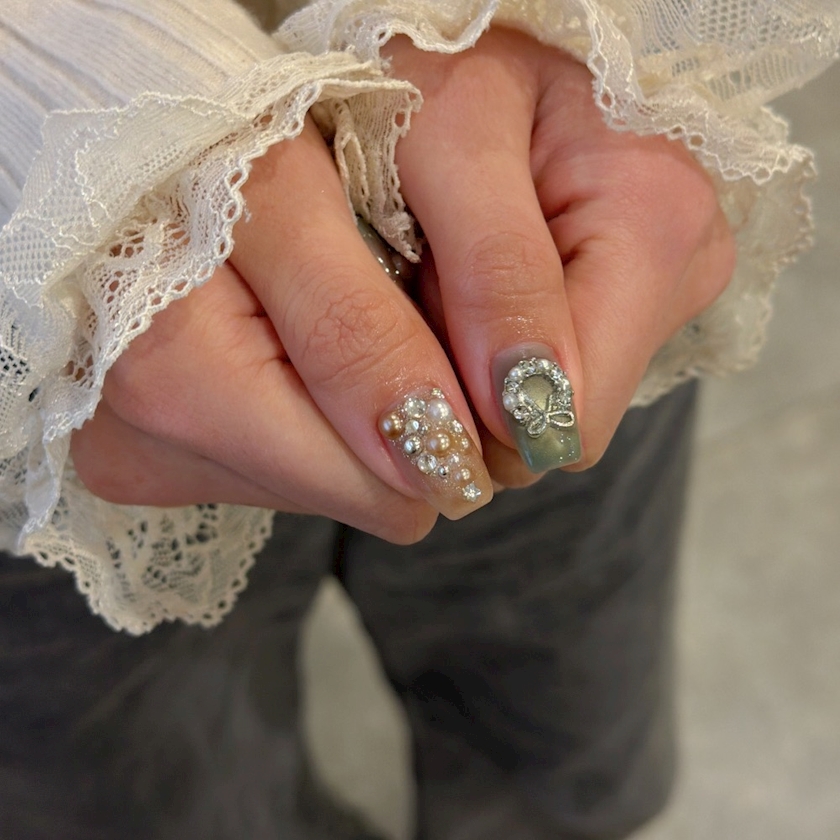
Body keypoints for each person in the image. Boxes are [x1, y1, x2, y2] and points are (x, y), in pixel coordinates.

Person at [0, 1, 836, 837]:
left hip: (529, 143)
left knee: (565, 740)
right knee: (174, 801)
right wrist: (52, 107)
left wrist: (495, 23)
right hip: (68, 293)